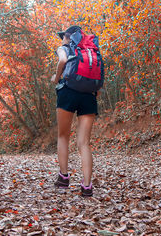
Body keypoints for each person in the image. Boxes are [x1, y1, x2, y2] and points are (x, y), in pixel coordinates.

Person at [51, 25, 98, 197]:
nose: (61, 39)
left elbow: (62, 61)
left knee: (63, 135)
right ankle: (87, 186)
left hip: (68, 92)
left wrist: (56, 78)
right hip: (89, 95)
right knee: (84, 143)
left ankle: (64, 177)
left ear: (67, 37)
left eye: (63, 36)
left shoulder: (64, 47)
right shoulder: (91, 50)